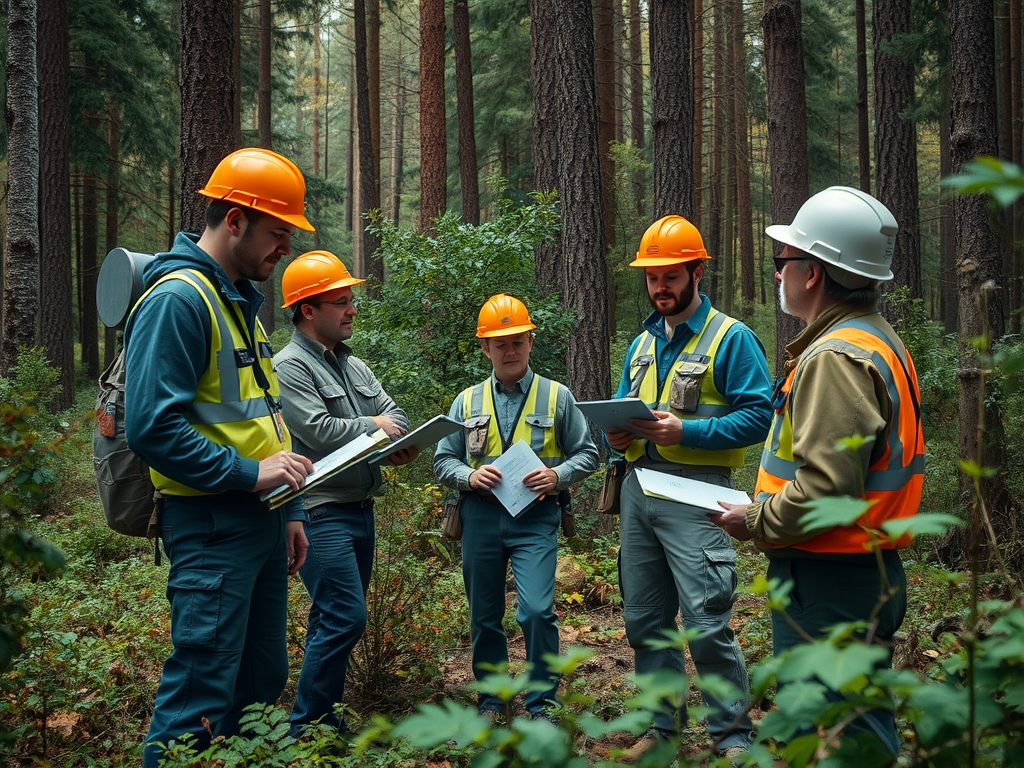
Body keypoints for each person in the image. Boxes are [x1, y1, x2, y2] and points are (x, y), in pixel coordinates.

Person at [709, 186, 925, 756]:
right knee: (856, 721)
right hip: (858, 570)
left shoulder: (834, 358)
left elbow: (828, 490)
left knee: (833, 733)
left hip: (832, 577)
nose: (778, 273)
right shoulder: (873, 340)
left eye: (784, 261)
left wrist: (752, 519)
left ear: (814, 274)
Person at [124, 148, 316, 767]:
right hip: (209, 526)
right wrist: (247, 475)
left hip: (260, 520)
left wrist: (291, 510)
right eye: (277, 233)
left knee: (259, 686)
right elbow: (151, 427)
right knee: (199, 694)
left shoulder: (237, 300)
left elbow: (265, 421)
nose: (283, 249)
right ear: (234, 220)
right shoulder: (179, 300)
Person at [603, 215, 772, 759]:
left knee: (705, 621)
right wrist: (617, 435)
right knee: (645, 619)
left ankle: (732, 737)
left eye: (670, 276)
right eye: (652, 278)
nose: (660, 288)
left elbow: (759, 417)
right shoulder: (641, 344)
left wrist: (687, 431)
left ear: (697, 271)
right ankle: (662, 730)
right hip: (638, 489)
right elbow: (627, 414)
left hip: (699, 492)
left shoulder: (731, 337)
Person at [273, 250, 418, 736]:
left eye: (351, 300)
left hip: (361, 508)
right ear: (308, 310)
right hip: (319, 511)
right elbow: (317, 429)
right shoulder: (289, 366)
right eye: (342, 301)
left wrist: (392, 439)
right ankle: (306, 728)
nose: (352, 309)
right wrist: (374, 426)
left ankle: (321, 726)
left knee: (333, 619)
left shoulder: (354, 365)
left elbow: (394, 414)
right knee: (345, 617)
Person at [433, 294, 599, 721]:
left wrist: (557, 475)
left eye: (518, 341)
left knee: (538, 610)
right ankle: (491, 699)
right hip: (480, 517)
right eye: (500, 343)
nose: (510, 350)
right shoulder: (466, 401)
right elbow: (442, 459)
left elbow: (588, 453)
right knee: (484, 614)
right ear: (485, 348)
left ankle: (542, 703)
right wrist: (468, 476)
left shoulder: (557, 396)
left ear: (530, 342)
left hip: (536, 517)